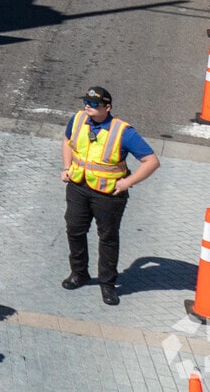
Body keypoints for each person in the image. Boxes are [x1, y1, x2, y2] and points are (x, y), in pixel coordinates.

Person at [62, 85, 159, 305]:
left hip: (108, 194)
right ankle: (79, 273)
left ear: (108, 107)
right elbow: (67, 141)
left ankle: (107, 284)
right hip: (78, 186)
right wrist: (66, 167)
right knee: (74, 229)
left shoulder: (123, 131)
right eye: (86, 102)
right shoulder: (77, 120)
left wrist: (127, 182)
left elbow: (151, 161)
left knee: (107, 238)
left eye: (94, 104)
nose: (88, 106)